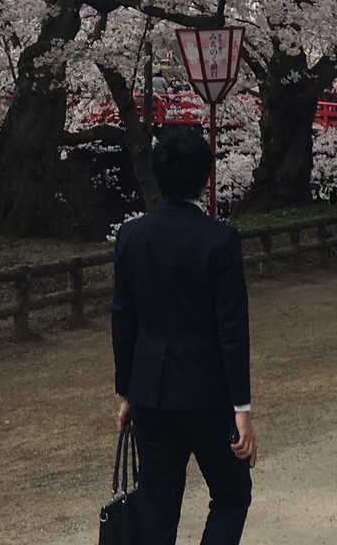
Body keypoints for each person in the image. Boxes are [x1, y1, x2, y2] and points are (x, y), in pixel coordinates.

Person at [112, 125, 256, 545]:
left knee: (158, 505)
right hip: (207, 393)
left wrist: (128, 393)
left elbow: (124, 318)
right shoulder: (220, 240)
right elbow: (232, 326)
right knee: (231, 495)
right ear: (205, 177)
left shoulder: (131, 236)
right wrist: (241, 408)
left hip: (152, 393)